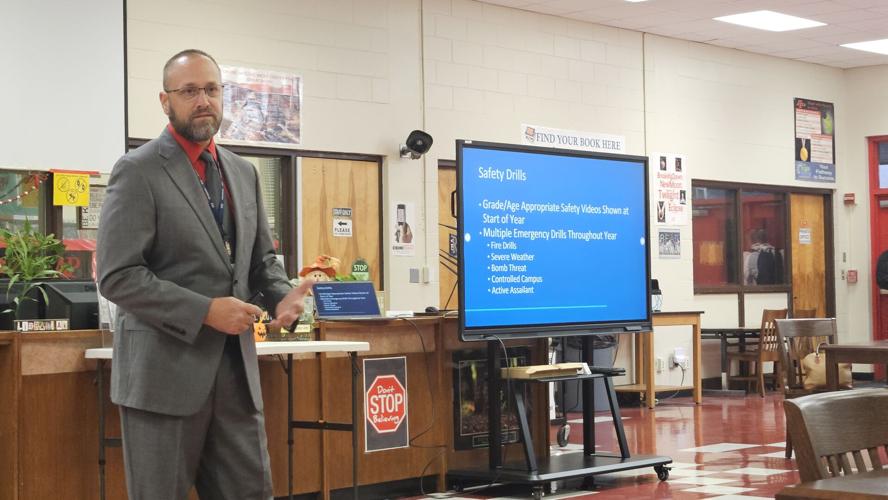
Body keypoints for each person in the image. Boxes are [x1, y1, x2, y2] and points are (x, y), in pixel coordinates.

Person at [97, 49, 312, 500]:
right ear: (164, 100)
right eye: (189, 91)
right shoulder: (137, 171)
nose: (203, 101)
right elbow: (118, 276)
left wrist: (281, 296)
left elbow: (261, 260)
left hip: (237, 379)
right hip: (162, 383)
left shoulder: (243, 171)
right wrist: (204, 311)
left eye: (212, 89)